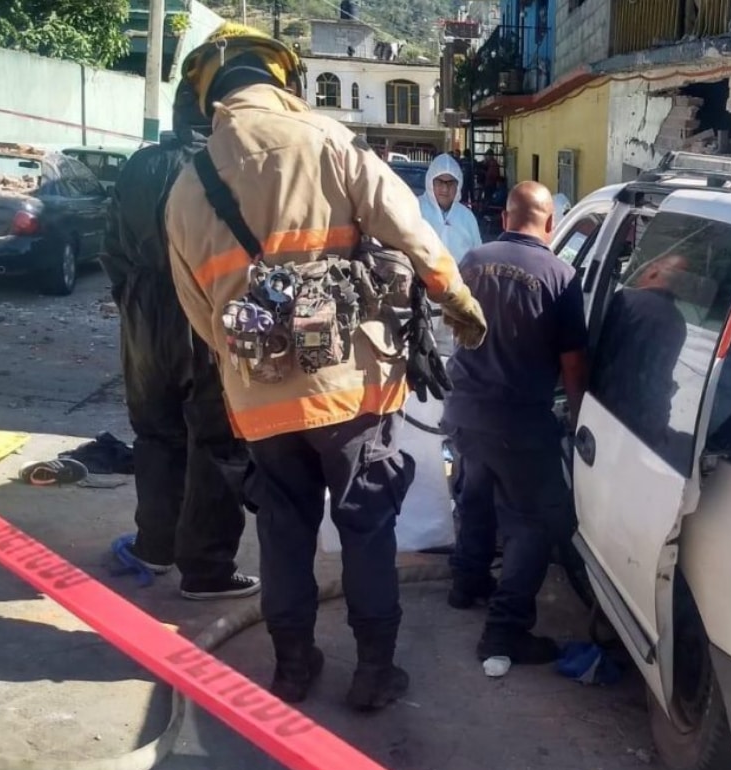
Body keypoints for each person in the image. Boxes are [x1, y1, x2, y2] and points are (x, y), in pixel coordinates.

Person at [164, 24, 488, 710]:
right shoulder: (329, 143)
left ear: (210, 97)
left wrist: (247, 369)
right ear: (281, 81)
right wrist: (455, 300)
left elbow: (199, 313)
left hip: (258, 399)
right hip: (350, 391)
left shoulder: (187, 187)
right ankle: (373, 673)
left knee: (283, 531)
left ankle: (292, 666)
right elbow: (410, 230)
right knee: (366, 524)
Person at [100, 80, 259, 601]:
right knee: (216, 441)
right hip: (201, 306)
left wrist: (134, 302)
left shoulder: (139, 165)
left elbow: (110, 247)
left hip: (144, 315)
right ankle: (207, 569)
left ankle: (155, 545)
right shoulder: (223, 166)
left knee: (154, 432)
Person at [441, 181, 588, 665]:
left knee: (475, 497)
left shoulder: (473, 259)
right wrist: (578, 413)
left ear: (505, 218)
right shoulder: (561, 275)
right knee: (533, 526)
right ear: (550, 224)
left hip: (465, 411)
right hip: (519, 424)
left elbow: (454, 324)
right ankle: (503, 634)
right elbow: (572, 361)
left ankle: (466, 585)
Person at [419, 153, 482, 264]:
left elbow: (478, 256)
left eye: (451, 183)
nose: (445, 188)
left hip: (460, 279)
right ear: (430, 182)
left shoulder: (467, 217)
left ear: (458, 185)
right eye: (439, 182)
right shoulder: (416, 210)